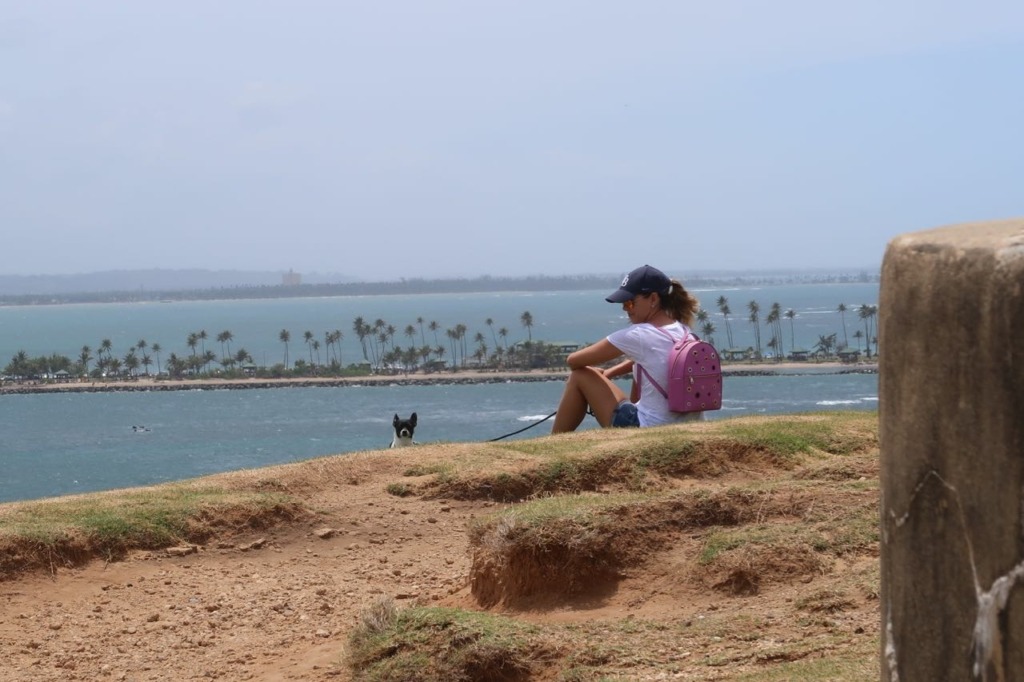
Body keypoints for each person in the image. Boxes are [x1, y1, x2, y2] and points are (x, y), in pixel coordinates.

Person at [551, 264, 703, 433]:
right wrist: (609, 374)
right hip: (686, 426)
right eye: (623, 304)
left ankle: (552, 445)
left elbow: (573, 361)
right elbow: (653, 358)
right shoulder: (684, 332)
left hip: (647, 428)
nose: (625, 308)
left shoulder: (639, 334)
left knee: (580, 375)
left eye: (630, 303)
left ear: (653, 299)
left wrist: (595, 375)